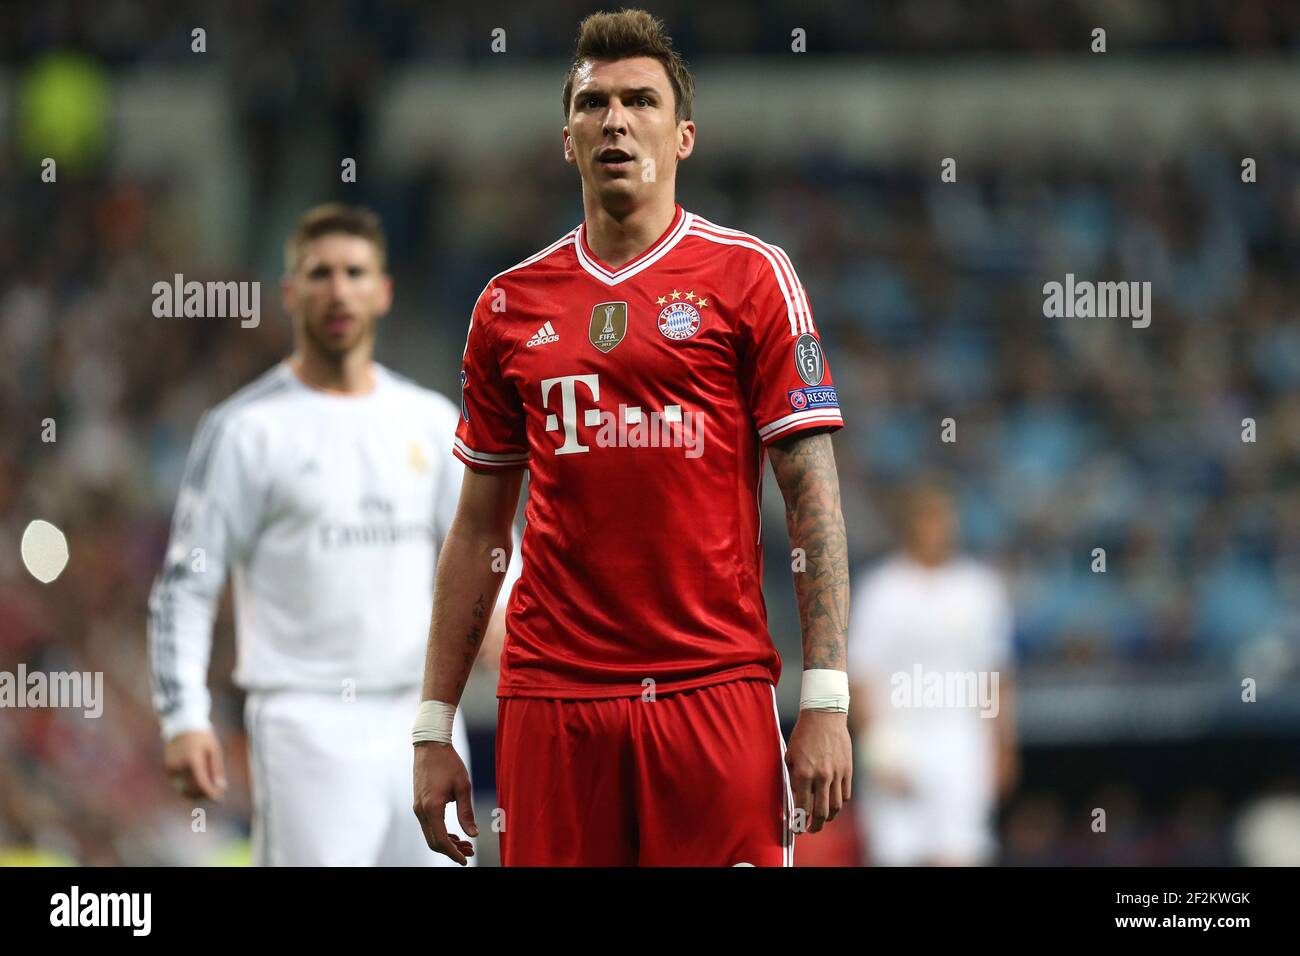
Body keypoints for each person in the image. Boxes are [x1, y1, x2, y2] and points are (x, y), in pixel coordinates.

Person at [412, 9, 852, 867]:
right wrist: (435, 723)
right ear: (566, 138)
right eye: (594, 103)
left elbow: (813, 498)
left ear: (683, 136)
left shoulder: (751, 277)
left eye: (641, 101)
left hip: (711, 687)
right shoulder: (508, 307)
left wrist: (827, 699)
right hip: (553, 699)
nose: (615, 119)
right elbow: (477, 530)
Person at [148, 203, 516, 866]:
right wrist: (184, 716)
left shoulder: (429, 422)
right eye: (320, 273)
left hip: (424, 718)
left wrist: (503, 612)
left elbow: (493, 544)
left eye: (355, 271)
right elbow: (188, 586)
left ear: (383, 291)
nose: (339, 289)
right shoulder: (245, 431)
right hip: (304, 724)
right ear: (290, 293)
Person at [848, 482, 1019, 866]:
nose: (938, 528)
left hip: (961, 740)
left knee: (962, 851)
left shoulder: (979, 589)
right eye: (928, 518)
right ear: (910, 523)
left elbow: (995, 673)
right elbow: (860, 676)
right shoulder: (882, 591)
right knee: (895, 852)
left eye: (945, 518)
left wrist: (1002, 742)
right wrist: (878, 744)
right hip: (899, 738)